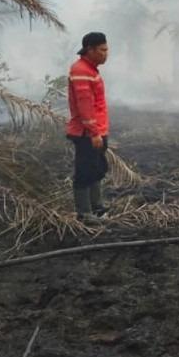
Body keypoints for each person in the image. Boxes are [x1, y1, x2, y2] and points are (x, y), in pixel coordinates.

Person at [66, 33, 110, 224]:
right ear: (90, 50)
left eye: (106, 50)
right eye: (102, 50)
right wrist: (94, 133)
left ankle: (97, 208)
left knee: (96, 168)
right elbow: (85, 106)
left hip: (96, 131)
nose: (106, 54)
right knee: (85, 171)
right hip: (87, 133)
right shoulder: (81, 71)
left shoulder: (91, 70)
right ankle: (85, 214)